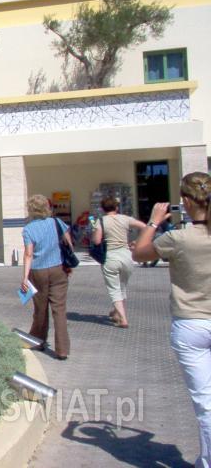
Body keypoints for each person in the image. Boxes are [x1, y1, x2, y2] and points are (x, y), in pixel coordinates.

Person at [133, 172, 211, 468]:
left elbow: (139, 253)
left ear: (186, 202)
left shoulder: (178, 238)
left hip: (191, 323)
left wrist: (153, 222)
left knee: (206, 403)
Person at [20, 194, 71, 360]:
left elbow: (29, 254)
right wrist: (68, 263)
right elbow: (68, 243)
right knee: (59, 309)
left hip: (38, 271)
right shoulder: (57, 222)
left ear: (31, 210)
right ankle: (62, 350)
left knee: (40, 308)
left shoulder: (28, 229)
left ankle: (37, 340)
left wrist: (25, 277)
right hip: (58, 269)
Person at [91, 196, 146, 328]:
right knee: (122, 286)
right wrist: (137, 241)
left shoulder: (101, 221)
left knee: (114, 289)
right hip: (126, 256)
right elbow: (145, 227)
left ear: (102, 209)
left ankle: (123, 319)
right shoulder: (125, 218)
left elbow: (97, 241)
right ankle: (116, 313)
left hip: (111, 256)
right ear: (116, 207)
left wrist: (93, 233)